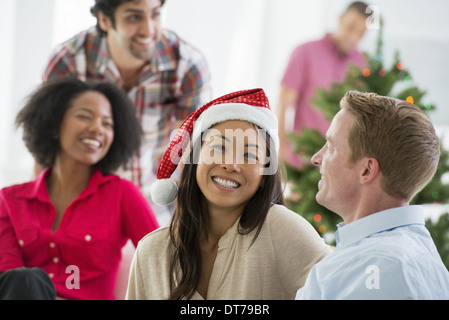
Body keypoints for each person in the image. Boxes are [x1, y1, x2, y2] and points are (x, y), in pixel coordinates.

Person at [125, 88, 332, 300]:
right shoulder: (151, 251)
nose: (231, 164)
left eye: (249, 154)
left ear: (264, 175)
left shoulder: (280, 229)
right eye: (220, 147)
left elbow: (344, 287)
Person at [42, 0, 212, 225]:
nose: (149, 29)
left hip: (156, 206)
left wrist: (190, 227)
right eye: (134, 17)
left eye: (155, 15)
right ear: (104, 20)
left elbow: (190, 156)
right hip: (82, 204)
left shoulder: (187, 64)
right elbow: (47, 146)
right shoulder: (69, 62)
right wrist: (45, 217)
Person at [0, 78, 159, 300]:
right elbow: (9, 276)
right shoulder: (9, 199)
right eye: (85, 116)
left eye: (107, 123)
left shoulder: (123, 194)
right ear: (55, 125)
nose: (97, 128)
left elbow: (162, 259)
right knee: (23, 279)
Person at [296, 91, 449, 299]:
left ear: (366, 170)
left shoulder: (372, 268)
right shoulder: (419, 256)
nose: (316, 158)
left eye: (331, 147)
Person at [278, 1, 368, 169]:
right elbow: (283, 105)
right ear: (340, 19)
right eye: (351, 27)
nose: (354, 37)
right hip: (303, 158)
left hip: (340, 164)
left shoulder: (363, 65)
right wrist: (282, 152)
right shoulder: (305, 52)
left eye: (361, 33)